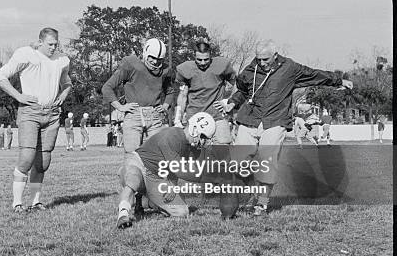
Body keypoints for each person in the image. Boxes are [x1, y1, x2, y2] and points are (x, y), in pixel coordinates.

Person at [225, 39, 353, 216]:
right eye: (258, 59)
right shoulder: (251, 69)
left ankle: (261, 204)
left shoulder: (289, 68)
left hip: (275, 120)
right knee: (238, 163)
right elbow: (243, 91)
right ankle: (252, 192)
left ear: (275, 55)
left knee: (267, 161)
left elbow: (313, 74)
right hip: (249, 119)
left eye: (265, 59)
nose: (261, 63)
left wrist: (338, 80)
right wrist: (232, 102)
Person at [0, 27, 72, 213]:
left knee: (43, 162)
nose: (53, 48)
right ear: (40, 41)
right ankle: (17, 203)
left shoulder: (62, 60)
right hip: (30, 112)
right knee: (27, 158)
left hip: (52, 114)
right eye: (50, 44)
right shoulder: (26, 54)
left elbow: (67, 82)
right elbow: (0, 76)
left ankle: (36, 201)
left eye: (56, 44)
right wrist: (19, 96)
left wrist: (64, 94)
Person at [102, 38, 174, 216]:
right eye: (152, 58)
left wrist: (165, 106)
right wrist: (120, 106)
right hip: (133, 116)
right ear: (145, 53)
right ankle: (135, 203)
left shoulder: (165, 71)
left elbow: (171, 90)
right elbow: (107, 87)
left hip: (154, 116)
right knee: (133, 159)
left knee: (157, 160)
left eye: (159, 60)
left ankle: (155, 199)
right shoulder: (131, 65)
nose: (155, 62)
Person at [116, 112, 216, 229]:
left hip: (155, 176)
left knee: (181, 211)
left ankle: (142, 200)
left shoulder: (191, 146)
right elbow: (179, 169)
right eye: (203, 137)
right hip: (138, 163)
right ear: (194, 129)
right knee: (134, 179)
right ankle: (123, 214)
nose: (204, 141)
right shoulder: (172, 136)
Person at [174, 38, 237, 218]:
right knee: (190, 157)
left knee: (224, 151)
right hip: (195, 117)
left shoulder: (222, 65)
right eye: (199, 59)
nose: (202, 63)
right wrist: (178, 118)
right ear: (194, 57)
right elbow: (182, 94)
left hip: (216, 115)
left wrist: (227, 100)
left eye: (206, 60)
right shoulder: (184, 69)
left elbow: (234, 83)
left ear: (211, 56)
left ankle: (227, 194)